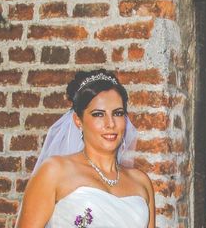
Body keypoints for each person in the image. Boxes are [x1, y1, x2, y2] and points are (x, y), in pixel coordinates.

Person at [16, 69, 155, 228]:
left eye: (118, 113)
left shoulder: (141, 182)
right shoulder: (54, 171)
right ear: (78, 120)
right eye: (98, 114)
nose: (110, 124)